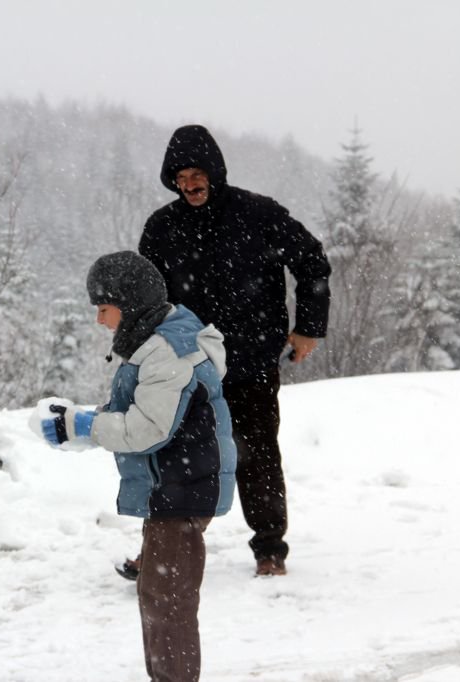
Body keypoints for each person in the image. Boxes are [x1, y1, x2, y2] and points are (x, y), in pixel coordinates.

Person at [138, 124, 331, 577]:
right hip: (187, 367)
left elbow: (311, 261)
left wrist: (308, 329)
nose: (189, 183)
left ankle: (269, 550)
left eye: (196, 173)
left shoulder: (258, 214)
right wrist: (143, 349)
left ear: (215, 171)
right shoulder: (162, 227)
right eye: (179, 176)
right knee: (173, 460)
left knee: (256, 456)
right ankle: (161, 553)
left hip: (250, 362)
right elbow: (146, 296)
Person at [37, 251, 237, 682]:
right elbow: (139, 411)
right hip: (177, 482)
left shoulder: (168, 351)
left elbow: (147, 429)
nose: (99, 320)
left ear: (128, 303)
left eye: (103, 308)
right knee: (160, 597)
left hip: (183, 485)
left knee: (166, 602)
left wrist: (85, 426)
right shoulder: (156, 341)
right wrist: (81, 425)